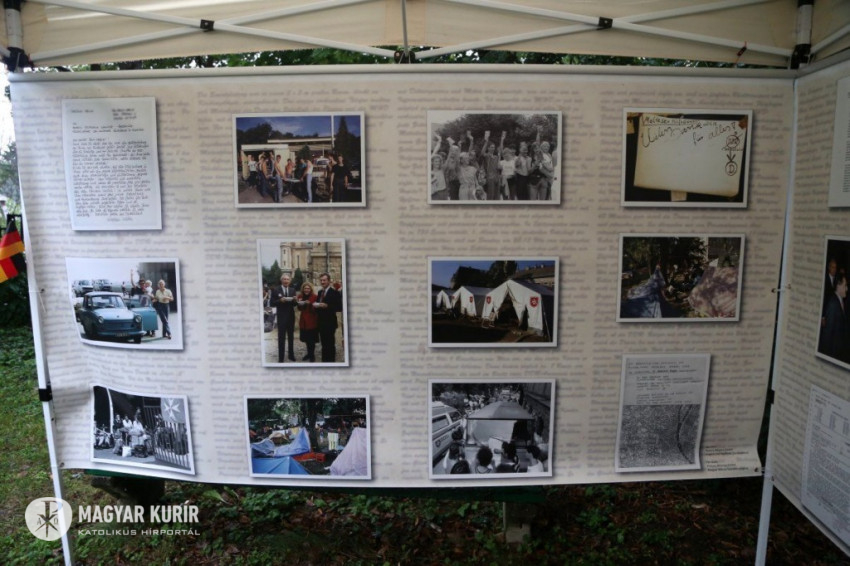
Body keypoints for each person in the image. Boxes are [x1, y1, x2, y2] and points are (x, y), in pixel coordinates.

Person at [820, 273, 849, 361]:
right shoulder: (833, 304)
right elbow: (827, 335)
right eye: (845, 285)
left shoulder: (840, 301)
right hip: (833, 353)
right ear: (838, 285)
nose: (847, 288)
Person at [315, 272, 343, 362]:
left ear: (329, 281)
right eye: (321, 280)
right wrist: (316, 306)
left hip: (330, 323)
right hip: (321, 322)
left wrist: (327, 306)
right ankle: (324, 361)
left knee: (330, 344)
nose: (322, 282)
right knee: (323, 344)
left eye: (324, 280)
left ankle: (331, 362)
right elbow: (318, 305)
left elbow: (339, 307)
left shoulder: (334, 292)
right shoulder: (320, 292)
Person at [271, 274, 297, 362]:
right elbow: (272, 303)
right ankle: (281, 358)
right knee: (281, 338)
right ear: (281, 280)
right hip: (281, 317)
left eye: (287, 279)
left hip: (291, 317)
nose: (286, 281)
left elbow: (294, 304)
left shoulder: (292, 290)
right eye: (284, 279)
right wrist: (279, 300)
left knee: (291, 337)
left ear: (290, 281)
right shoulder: (276, 290)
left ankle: (291, 355)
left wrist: (295, 300)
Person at [297, 281, 319, 362]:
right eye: (305, 288)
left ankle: (312, 355)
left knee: (311, 340)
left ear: (311, 289)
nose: (306, 290)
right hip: (303, 321)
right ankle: (309, 354)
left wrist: (309, 304)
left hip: (312, 320)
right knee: (306, 339)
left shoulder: (315, 297)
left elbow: (316, 310)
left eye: (308, 288)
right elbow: (299, 308)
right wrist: (299, 304)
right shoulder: (300, 296)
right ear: (303, 289)